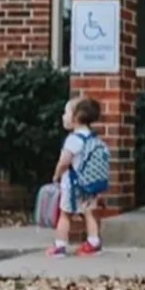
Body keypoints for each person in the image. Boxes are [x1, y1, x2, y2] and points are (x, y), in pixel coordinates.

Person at [47, 97, 107, 257]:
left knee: (65, 215)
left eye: (66, 113)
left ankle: (59, 246)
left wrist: (56, 175)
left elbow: (64, 162)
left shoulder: (73, 139)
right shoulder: (93, 138)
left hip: (72, 185)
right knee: (88, 212)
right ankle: (93, 243)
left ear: (77, 117)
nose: (63, 116)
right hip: (89, 184)